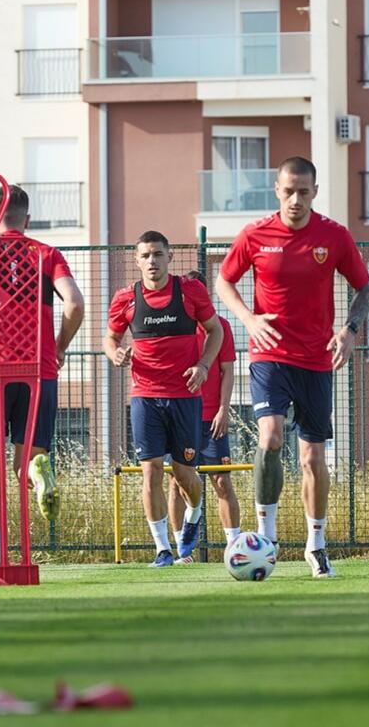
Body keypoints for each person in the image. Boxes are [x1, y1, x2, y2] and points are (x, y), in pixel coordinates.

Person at [215, 156, 369, 578]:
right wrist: (248, 319)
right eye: (288, 192)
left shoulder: (334, 236)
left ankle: (316, 545)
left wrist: (350, 331)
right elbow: (224, 281)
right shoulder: (255, 234)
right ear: (277, 190)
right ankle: (265, 538)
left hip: (317, 359)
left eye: (304, 192)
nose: (295, 200)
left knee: (312, 457)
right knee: (270, 436)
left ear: (315, 192)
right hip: (269, 354)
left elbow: (365, 288)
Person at [0, 185, 84, 567]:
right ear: (27, 220)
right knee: (25, 465)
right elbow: (75, 304)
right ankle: (37, 474)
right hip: (38, 369)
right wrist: (58, 347)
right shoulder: (45, 254)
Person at [105, 231, 224, 568]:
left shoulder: (189, 291)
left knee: (184, 476)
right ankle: (163, 549)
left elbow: (215, 330)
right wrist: (115, 353)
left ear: (169, 257)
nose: (152, 261)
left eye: (158, 254)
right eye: (145, 255)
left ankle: (195, 512)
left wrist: (203, 365)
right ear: (137, 260)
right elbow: (110, 338)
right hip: (145, 397)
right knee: (151, 472)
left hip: (184, 397)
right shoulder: (125, 298)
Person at [167, 270, 240, 563]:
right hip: (181, 417)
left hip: (211, 420)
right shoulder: (173, 326)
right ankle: (181, 551)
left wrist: (223, 409)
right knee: (176, 483)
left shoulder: (220, 327)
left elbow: (227, 371)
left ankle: (235, 547)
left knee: (222, 482)